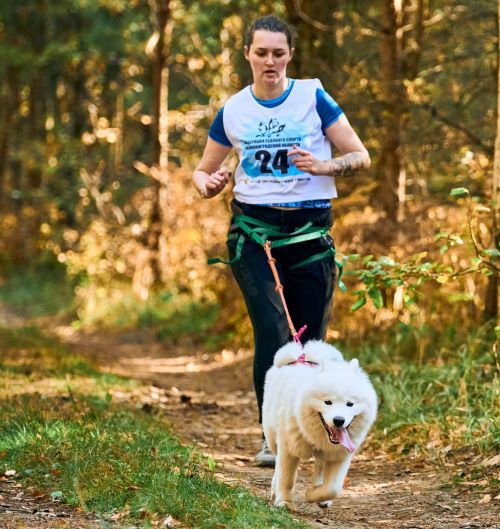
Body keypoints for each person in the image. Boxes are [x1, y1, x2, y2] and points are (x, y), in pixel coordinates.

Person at [192, 15, 370, 467]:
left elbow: (359, 155)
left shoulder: (313, 96)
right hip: (255, 234)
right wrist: (208, 184)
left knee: (310, 347)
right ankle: (273, 438)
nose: (269, 61)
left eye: (278, 52)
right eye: (260, 52)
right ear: (247, 54)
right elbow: (202, 170)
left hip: (311, 234)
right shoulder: (234, 109)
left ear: (290, 54)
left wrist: (324, 167)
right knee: (273, 334)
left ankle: (312, 434)